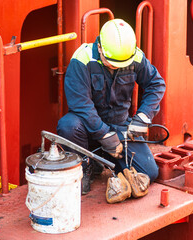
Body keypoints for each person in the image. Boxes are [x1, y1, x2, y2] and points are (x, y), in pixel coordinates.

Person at [57, 19, 166, 194]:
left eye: (121, 65)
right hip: (87, 128)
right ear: (99, 47)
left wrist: (143, 117)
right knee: (68, 125)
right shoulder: (82, 59)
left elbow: (156, 84)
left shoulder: (133, 56)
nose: (116, 67)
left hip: (119, 124)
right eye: (112, 63)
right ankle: (84, 166)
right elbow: (81, 105)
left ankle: (105, 158)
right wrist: (103, 134)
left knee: (149, 173)